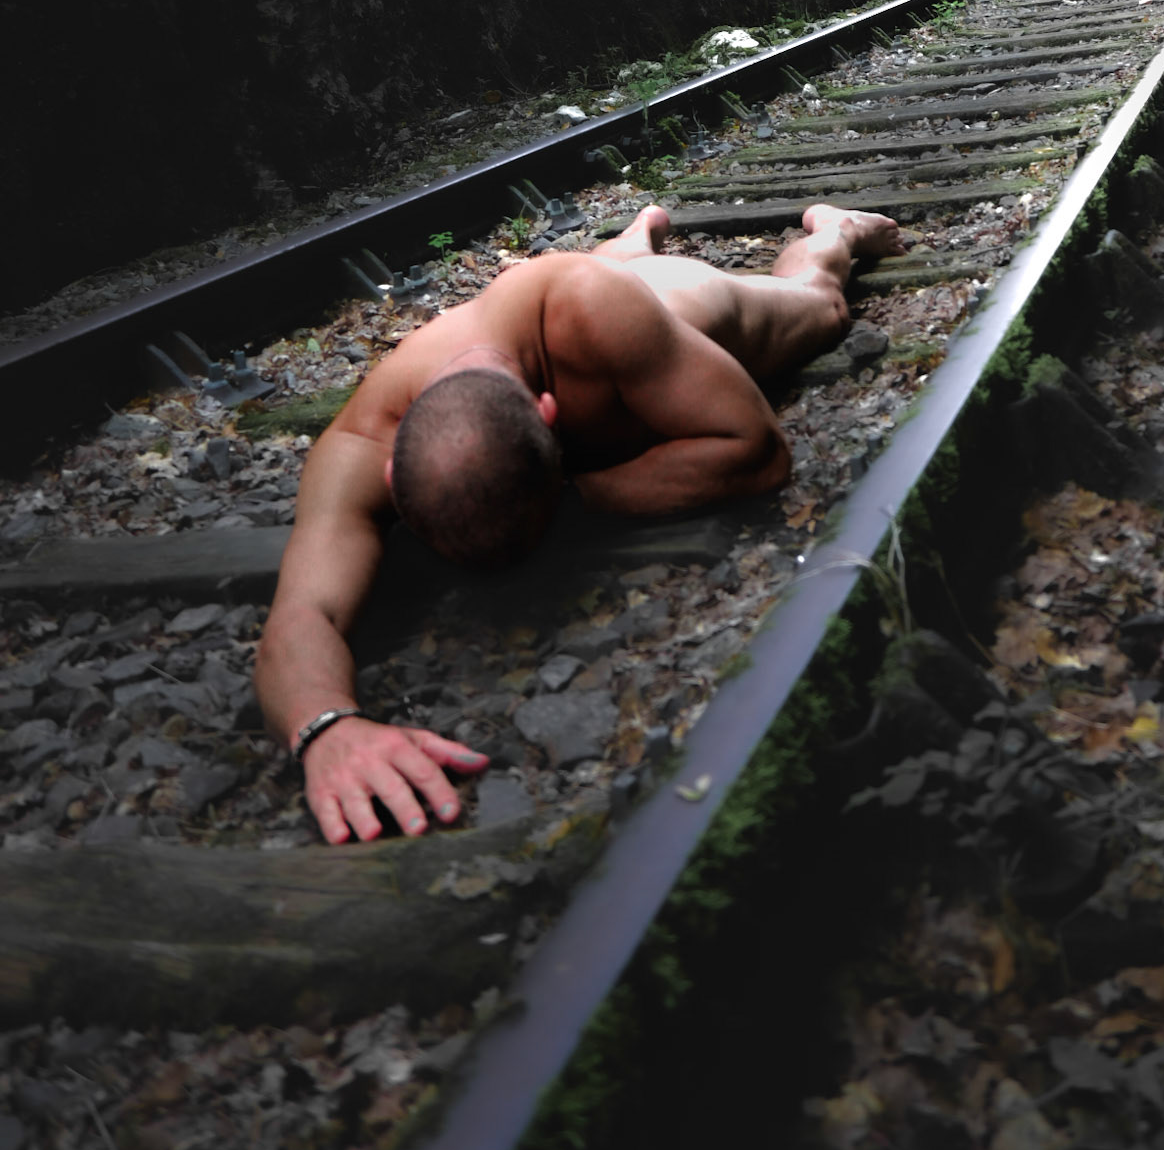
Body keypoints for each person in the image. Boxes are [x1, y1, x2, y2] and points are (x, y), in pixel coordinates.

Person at [254, 201, 905, 845]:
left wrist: (576, 494)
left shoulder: (597, 311)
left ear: (550, 414)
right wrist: (325, 727)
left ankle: (836, 227)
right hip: (577, 307)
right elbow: (301, 614)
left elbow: (757, 452)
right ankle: (635, 235)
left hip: (671, 305)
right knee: (601, 279)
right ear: (391, 473)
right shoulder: (359, 441)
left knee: (820, 304)